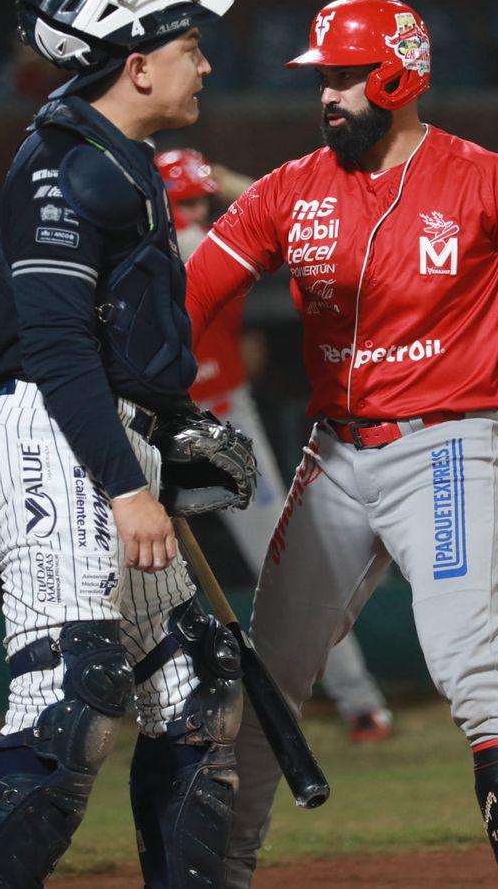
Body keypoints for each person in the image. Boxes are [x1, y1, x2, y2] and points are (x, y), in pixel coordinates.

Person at [186, 0, 498, 889]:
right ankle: (219, 874)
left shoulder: (486, 179)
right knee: (266, 680)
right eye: (325, 79)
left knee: (469, 667)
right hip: (334, 460)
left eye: (345, 77)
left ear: (396, 76)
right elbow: (191, 296)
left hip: (448, 451)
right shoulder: (292, 190)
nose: (329, 95)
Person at [0, 0, 247, 888]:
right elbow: (52, 344)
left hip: (103, 437)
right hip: (55, 433)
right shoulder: (68, 159)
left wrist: (172, 433)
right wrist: (128, 484)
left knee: (199, 680)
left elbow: (122, 342)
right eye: (187, 47)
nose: (202, 64)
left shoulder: (119, 160)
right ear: (132, 65)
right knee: (69, 701)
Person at [163, 146, 396, 743]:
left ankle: (359, 701)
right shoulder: (161, 248)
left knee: (285, 560)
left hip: (226, 420)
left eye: (200, 201)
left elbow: (289, 212)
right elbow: (263, 218)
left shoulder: (202, 239)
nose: (195, 211)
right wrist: (214, 191)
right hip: (156, 423)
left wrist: (214, 179)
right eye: (182, 201)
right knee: (126, 566)